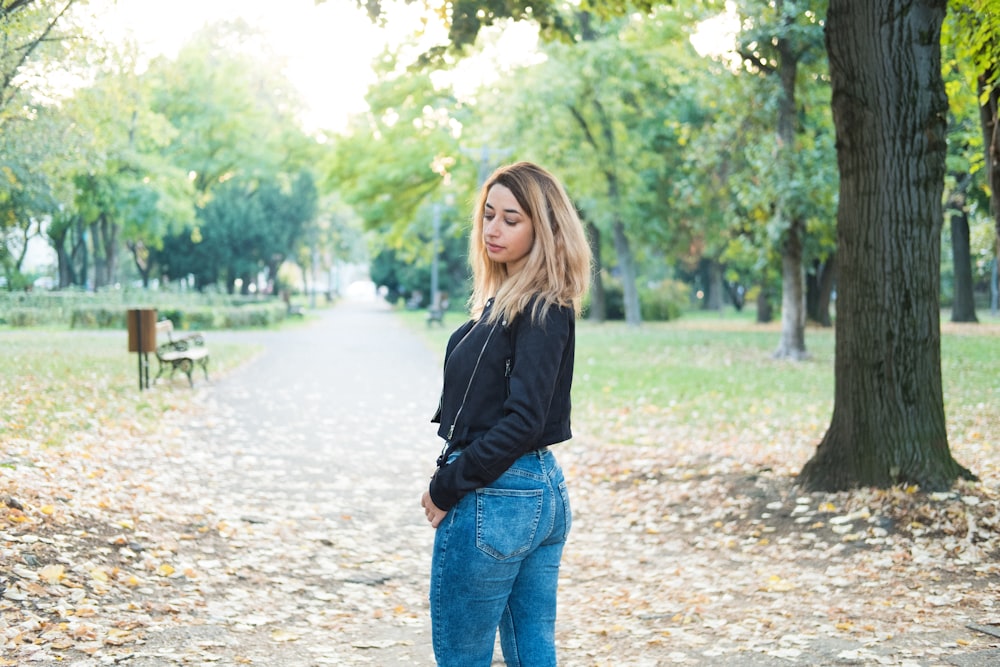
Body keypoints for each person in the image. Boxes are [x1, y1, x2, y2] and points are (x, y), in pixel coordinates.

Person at [420, 161, 591, 666]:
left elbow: (524, 419)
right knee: (532, 651)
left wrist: (448, 483)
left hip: (499, 495)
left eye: (511, 219)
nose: (493, 229)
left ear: (544, 226)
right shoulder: (514, 299)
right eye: (489, 215)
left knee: (462, 657)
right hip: (538, 492)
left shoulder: (540, 304)